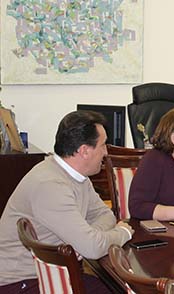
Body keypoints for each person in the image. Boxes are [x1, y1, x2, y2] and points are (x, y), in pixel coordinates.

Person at [0, 110, 134, 293]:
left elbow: (104, 214)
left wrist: (89, 236)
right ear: (84, 151)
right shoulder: (50, 186)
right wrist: (123, 233)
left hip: (52, 272)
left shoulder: (78, 176)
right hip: (22, 282)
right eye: (103, 145)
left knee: (119, 288)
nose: (106, 152)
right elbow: (93, 248)